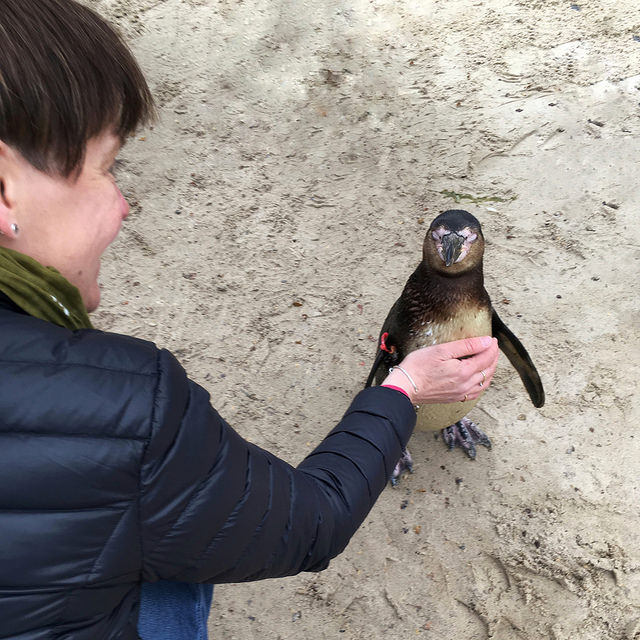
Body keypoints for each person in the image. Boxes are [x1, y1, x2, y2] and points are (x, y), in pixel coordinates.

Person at [0, 1, 500, 638]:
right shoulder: (120, 402)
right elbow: (309, 523)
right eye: (108, 167)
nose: (125, 205)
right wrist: (401, 389)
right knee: (177, 556)